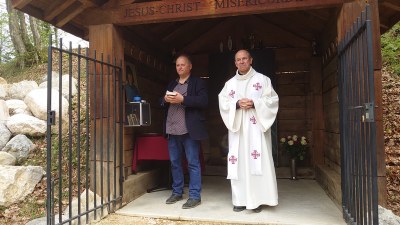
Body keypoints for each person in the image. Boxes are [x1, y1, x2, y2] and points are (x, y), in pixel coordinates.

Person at [218, 49, 279, 213]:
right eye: (238, 59)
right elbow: (223, 102)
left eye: (245, 58)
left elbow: (272, 101)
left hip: (256, 129)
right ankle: (239, 200)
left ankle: (257, 200)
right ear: (235, 63)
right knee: (238, 163)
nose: (242, 61)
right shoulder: (229, 84)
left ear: (251, 60)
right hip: (238, 131)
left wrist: (255, 103)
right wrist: (236, 104)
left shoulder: (263, 80)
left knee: (256, 163)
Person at [161, 53, 208, 209]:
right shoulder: (171, 84)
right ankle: (177, 192)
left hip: (189, 130)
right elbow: (161, 101)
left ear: (190, 66)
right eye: (177, 65)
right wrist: (165, 99)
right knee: (175, 163)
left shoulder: (197, 82)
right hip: (172, 128)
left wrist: (184, 100)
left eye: (182, 64)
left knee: (193, 163)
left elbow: (203, 101)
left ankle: (195, 196)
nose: (179, 67)